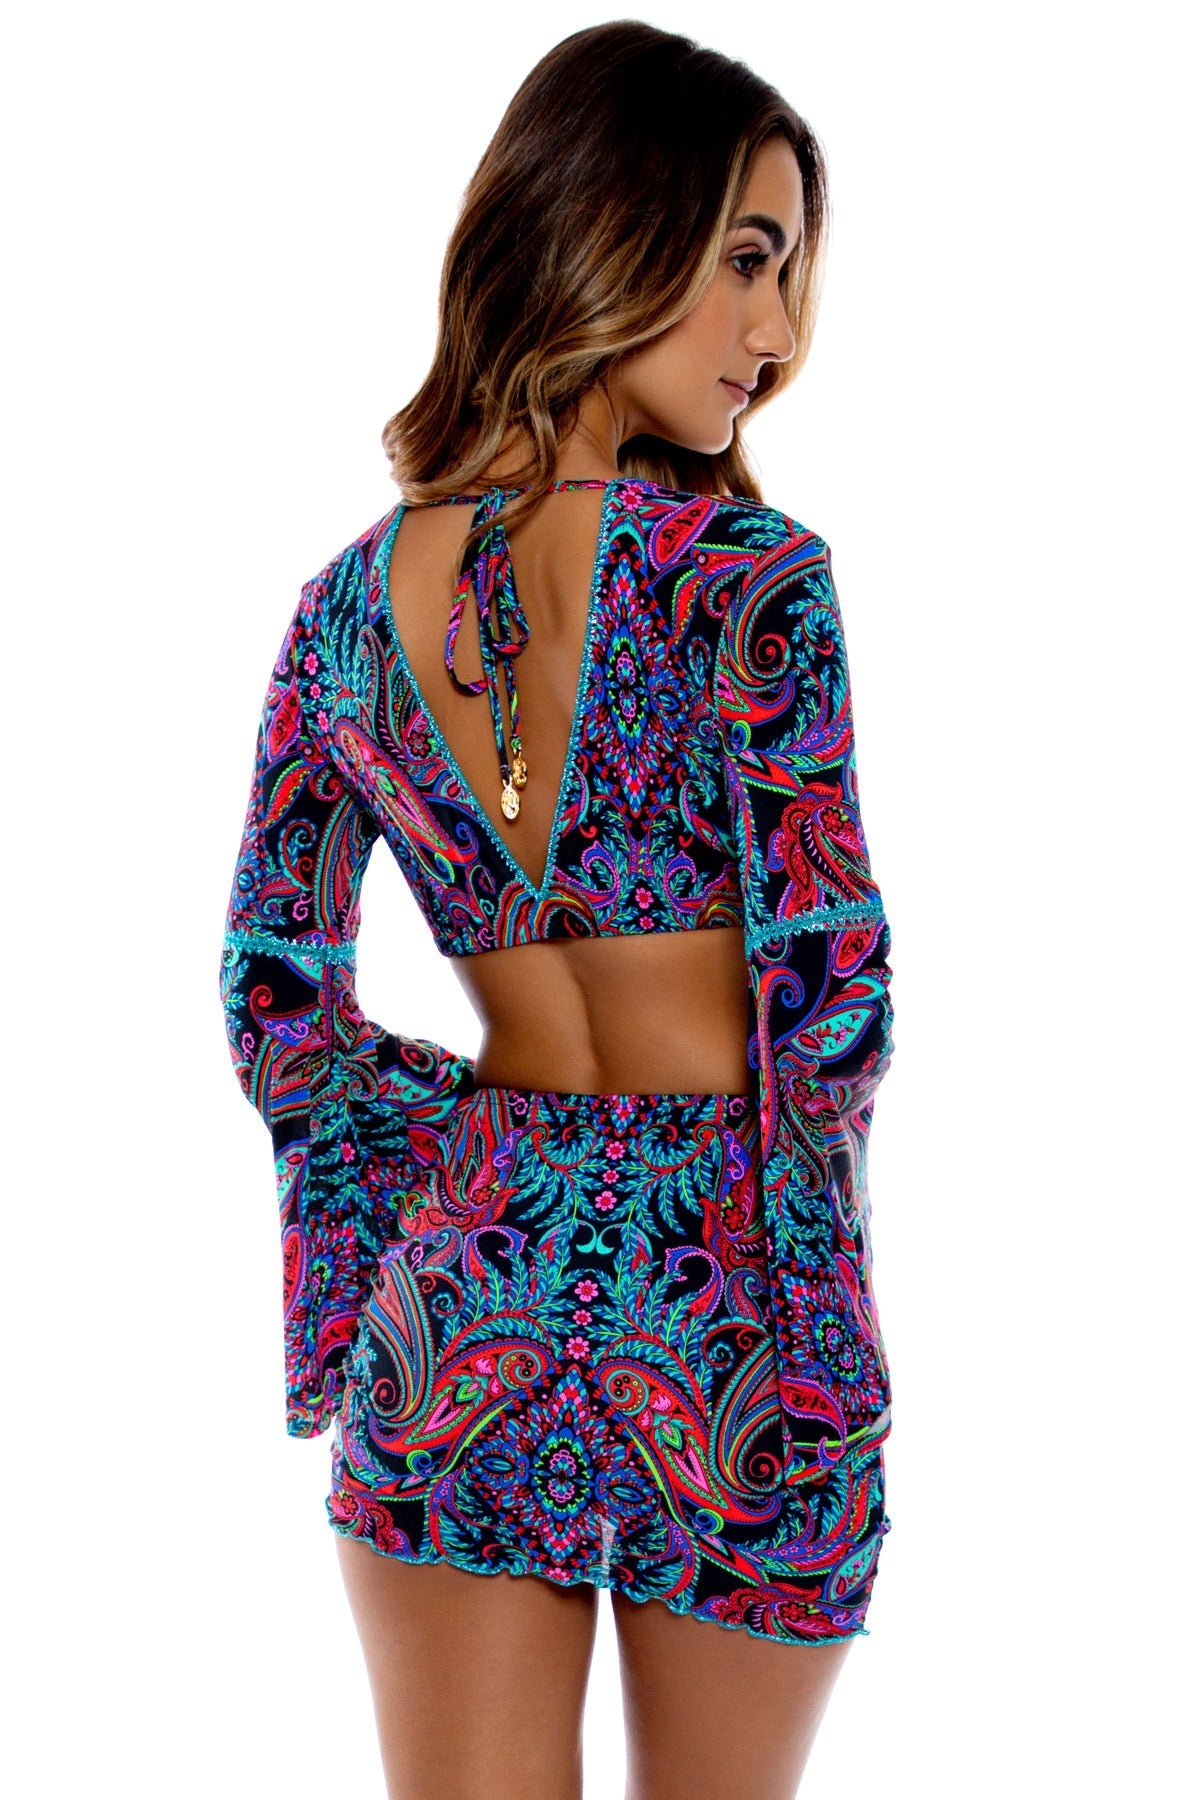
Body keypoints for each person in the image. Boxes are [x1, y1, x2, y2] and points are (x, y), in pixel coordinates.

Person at [219, 21, 896, 1799]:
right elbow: (829, 999)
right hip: (734, 1314)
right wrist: (826, 1357)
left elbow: (275, 996)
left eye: (789, 273)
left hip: (460, 1305)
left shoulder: (341, 613)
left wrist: (434, 1186)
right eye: (747, 256)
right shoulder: (746, 584)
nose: (778, 329)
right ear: (612, 224)